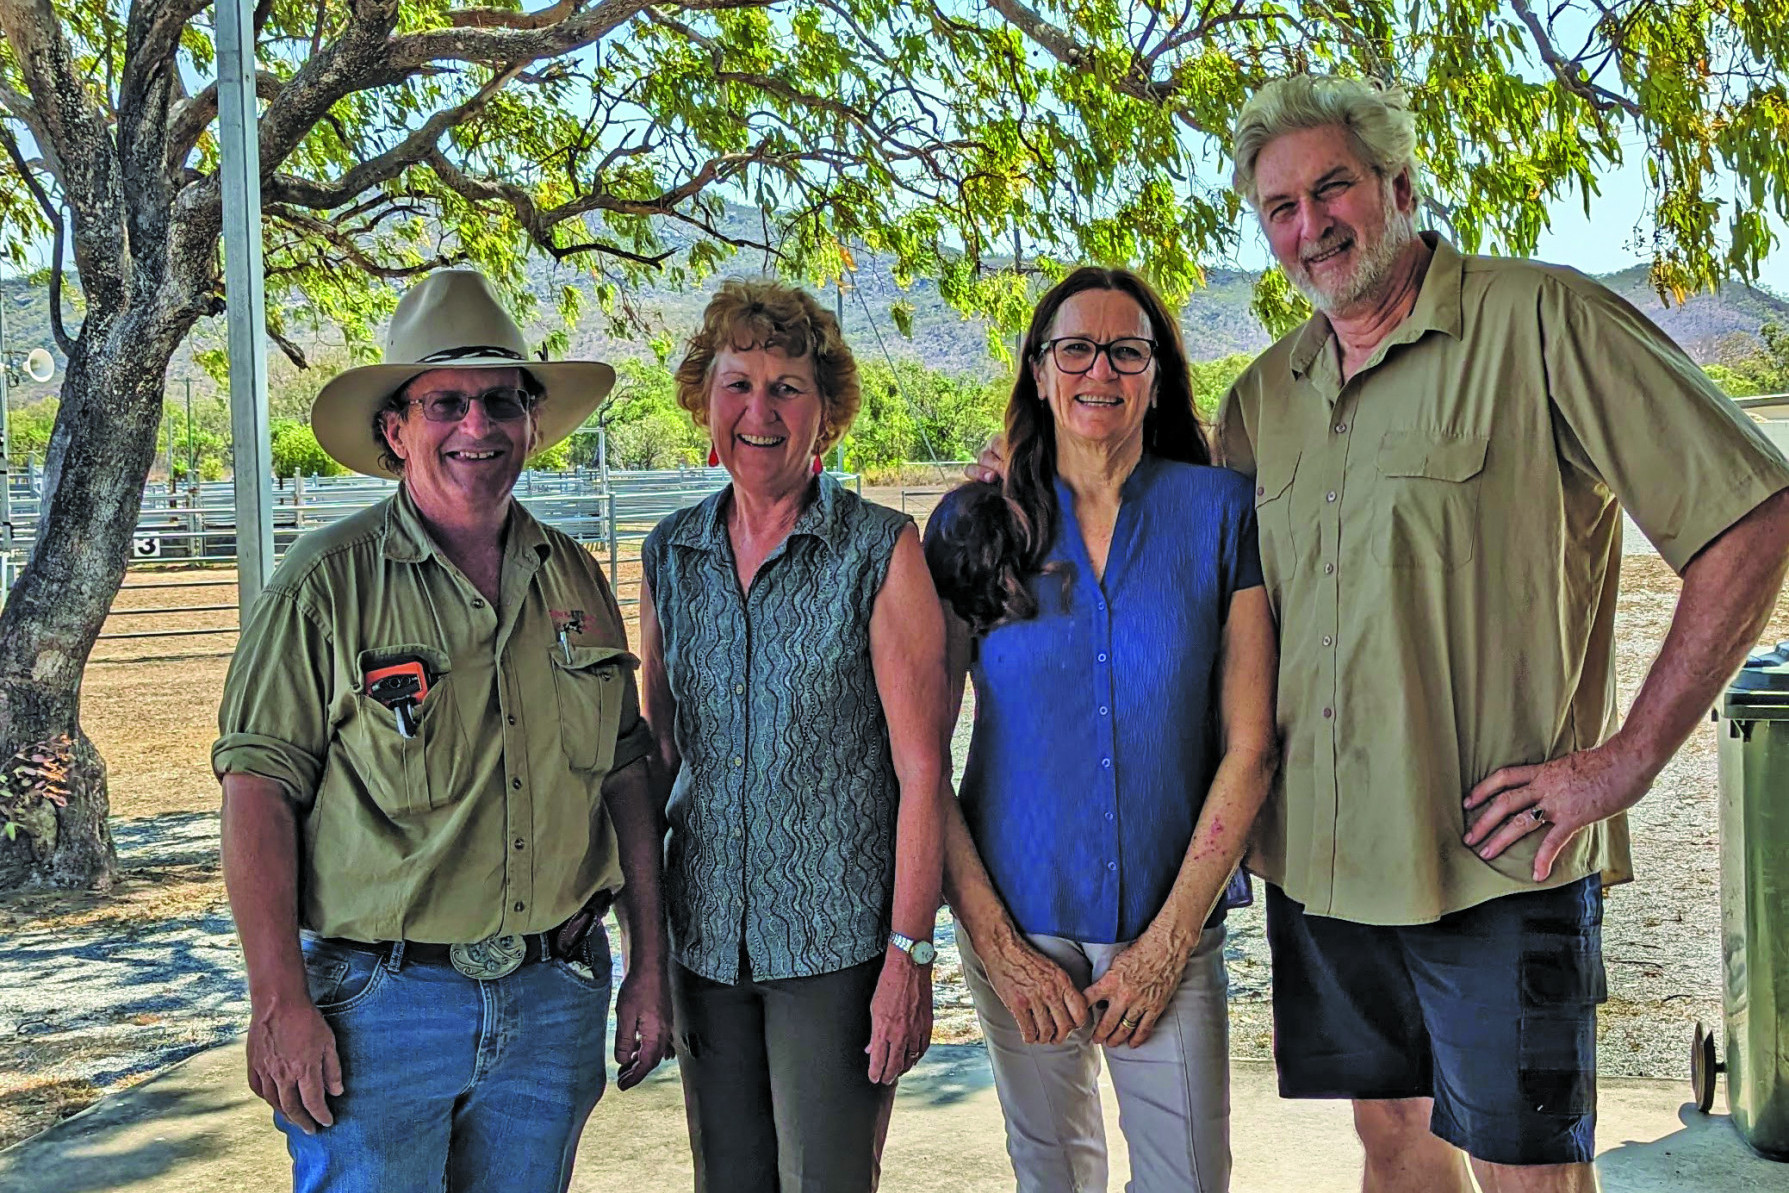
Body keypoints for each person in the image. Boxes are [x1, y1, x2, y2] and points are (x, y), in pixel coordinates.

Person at [1214, 76, 1789, 1192]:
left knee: (1527, 1174)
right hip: (1322, 864)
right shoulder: (1263, 393)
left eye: (1332, 185)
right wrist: (1029, 463)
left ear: (1399, 184)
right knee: (1391, 1142)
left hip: (1497, 861)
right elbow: (1183, 555)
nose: (1308, 224)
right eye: (1278, 205)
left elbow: (1752, 515)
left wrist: (1621, 763)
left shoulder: (1543, 318)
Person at [214, 268, 673, 1193]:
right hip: (379, 1011)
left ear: (532, 423)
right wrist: (278, 1003)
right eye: (446, 403)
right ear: (395, 429)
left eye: (500, 401)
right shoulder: (325, 585)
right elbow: (258, 792)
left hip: (552, 998)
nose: (478, 427)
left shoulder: (573, 579)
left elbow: (626, 777)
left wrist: (648, 966)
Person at [928, 266, 1279, 1193]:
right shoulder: (975, 524)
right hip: (1017, 921)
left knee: (1189, 1180)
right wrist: (999, 948)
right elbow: (919, 762)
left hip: (1170, 923)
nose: (1100, 370)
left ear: (1155, 373)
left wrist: (1167, 943)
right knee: (1053, 1177)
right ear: (1039, 372)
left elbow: (1251, 745)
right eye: (1074, 348)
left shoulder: (1219, 512)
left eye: (1127, 349)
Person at [637, 279, 946, 1193]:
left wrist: (909, 957)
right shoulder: (670, 553)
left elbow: (923, 771)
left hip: (837, 950)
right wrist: (644, 947)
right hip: (704, 945)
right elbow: (659, 753)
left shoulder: (879, 551)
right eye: (737, 385)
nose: (759, 411)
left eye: (787, 388)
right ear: (705, 402)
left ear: (827, 416)